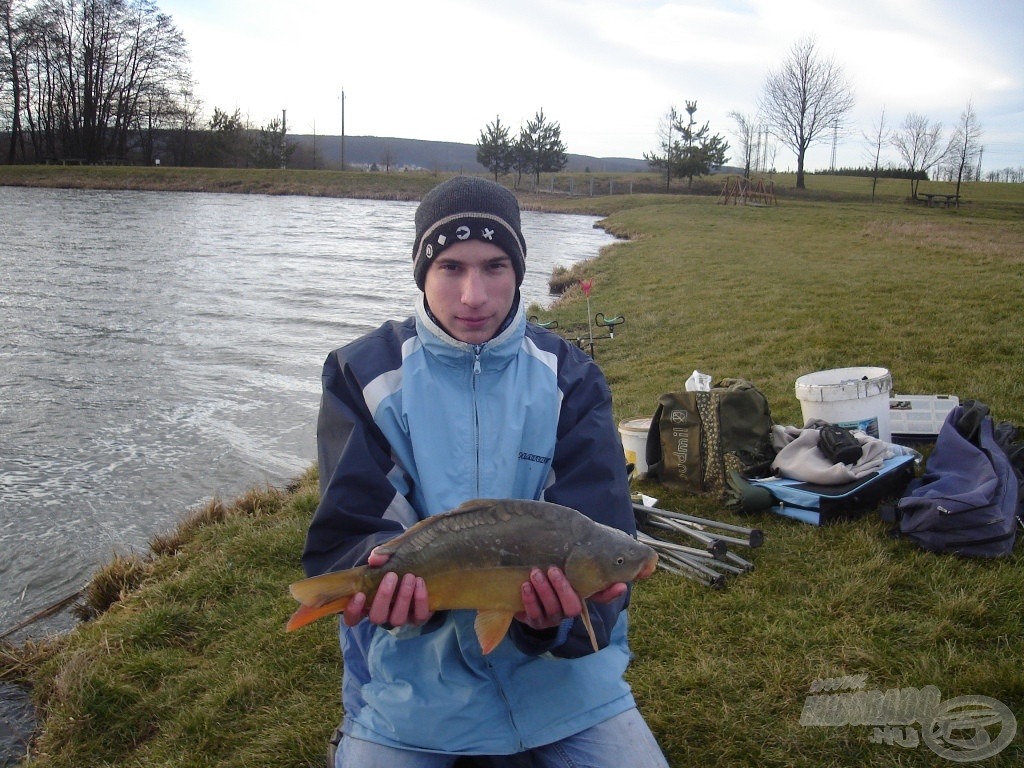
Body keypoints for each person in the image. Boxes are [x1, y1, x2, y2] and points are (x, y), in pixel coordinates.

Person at [302, 175, 668, 768]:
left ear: (519, 272)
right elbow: (349, 533)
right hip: (412, 691)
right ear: (422, 272)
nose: (474, 295)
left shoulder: (570, 378)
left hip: (565, 688)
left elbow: (603, 545)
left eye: (495, 266)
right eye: (450, 267)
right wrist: (383, 580)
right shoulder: (363, 376)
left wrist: (550, 624)